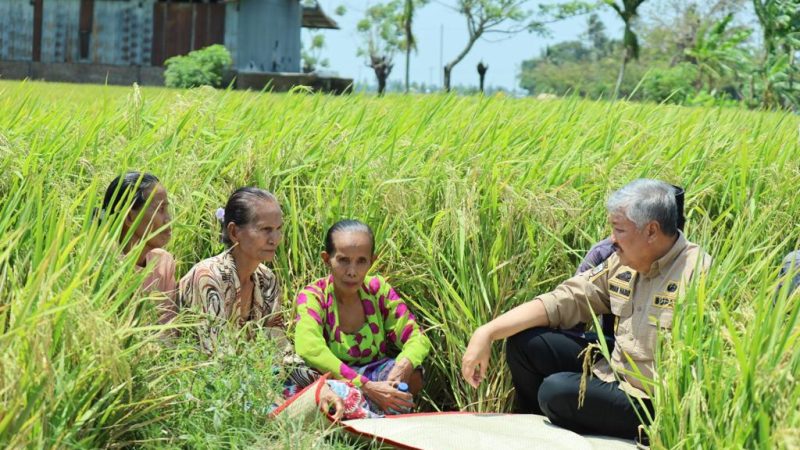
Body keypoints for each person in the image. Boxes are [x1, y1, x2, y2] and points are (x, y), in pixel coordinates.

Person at [461, 179, 711, 439]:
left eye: (619, 230)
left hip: (649, 401)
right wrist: (487, 332)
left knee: (554, 392)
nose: (612, 240)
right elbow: (566, 299)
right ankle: (538, 436)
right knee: (525, 344)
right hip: (613, 370)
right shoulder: (621, 262)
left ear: (651, 231)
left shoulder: (697, 274)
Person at [178, 187, 345, 418]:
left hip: (255, 380)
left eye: (278, 229)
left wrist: (318, 387)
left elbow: (279, 350)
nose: (274, 239)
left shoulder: (266, 279)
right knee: (290, 410)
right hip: (208, 388)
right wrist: (273, 399)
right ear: (235, 232)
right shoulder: (208, 278)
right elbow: (216, 362)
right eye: (265, 229)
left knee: (338, 393)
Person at [293, 220, 431, 415]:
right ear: (326, 259)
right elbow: (310, 348)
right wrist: (365, 386)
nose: (352, 271)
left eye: (361, 261)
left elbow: (417, 337)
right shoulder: (314, 296)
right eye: (343, 260)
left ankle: (370, 414)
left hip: (374, 375)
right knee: (338, 393)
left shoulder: (378, 290)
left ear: (371, 261)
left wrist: (403, 366)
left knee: (413, 375)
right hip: (333, 377)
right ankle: (370, 417)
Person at [100, 171, 176, 324]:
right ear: (130, 217)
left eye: (166, 209)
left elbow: (169, 328)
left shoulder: (163, 263)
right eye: (160, 209)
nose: (168, 219)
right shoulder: (107, 270)